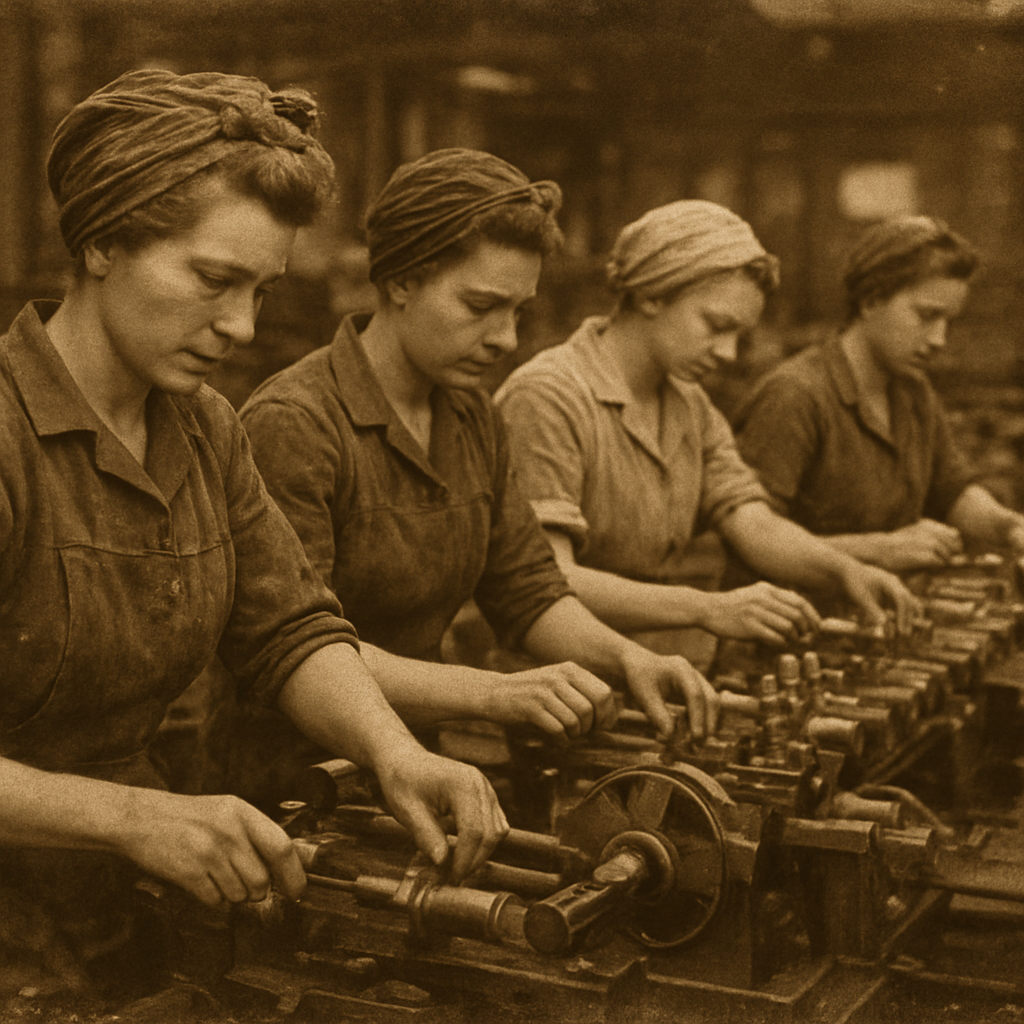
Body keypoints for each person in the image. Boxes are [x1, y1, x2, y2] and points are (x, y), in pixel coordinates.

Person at [0, 71, 506, 994]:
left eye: (263, 292)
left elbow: (288, 630)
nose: (239, 326)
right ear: (103, 241)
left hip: (139, 911)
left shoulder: (204, 429)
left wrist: (395, 753)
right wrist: (134, 818)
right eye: (212, 279)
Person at [240, 148, 719, 757]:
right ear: (401, 281)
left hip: (415, 760)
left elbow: (527, 591)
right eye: (480, 306)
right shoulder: (295, 425)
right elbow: (298, 647)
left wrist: (630, 658)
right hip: (283, 782)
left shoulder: (472, 417)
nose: (506, 339)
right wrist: (494, 693)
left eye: (519, 311)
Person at [494, 199, 919, 655]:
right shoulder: (547, 397)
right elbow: (548, 579)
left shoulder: (689, 405)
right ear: (651, 294)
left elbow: (752, 522)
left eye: (739, 335)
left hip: (663, 672)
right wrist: (707, 608)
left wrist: (843, 570)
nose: (728, 353)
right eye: (716, 325)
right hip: (557, 686)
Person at [734, 215, 1024, 572]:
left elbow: (951, 491)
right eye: (926, 316)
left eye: (948, 321)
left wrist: (1008, 525)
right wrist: (878, 549)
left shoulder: (913, 390)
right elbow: (750, 541)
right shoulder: (795, 396)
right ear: (871, 301)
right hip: (795, 620)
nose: (939, 340)